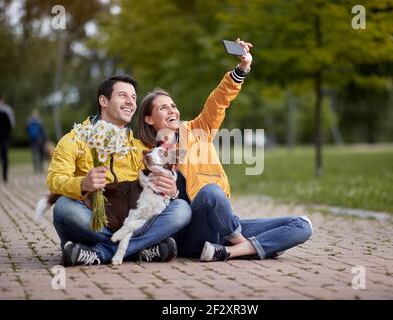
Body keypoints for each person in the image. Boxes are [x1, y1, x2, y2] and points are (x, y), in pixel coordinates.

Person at [137, 39, 313, 262]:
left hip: (223, 228)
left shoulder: (197, 130)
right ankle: (246, 246)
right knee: (211, 193)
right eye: (163, 107)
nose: (172, 110)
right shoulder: (144, 153)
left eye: (173, 105)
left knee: (301, 225)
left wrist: (241, 69)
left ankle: (230, 251)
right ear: (149, 118)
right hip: (191, 234)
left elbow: (217, 103)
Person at [47, 75, 192, 266]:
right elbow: (54, 180)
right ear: (103, 101)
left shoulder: (140, 147)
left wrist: (171, 192)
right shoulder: (74, 140)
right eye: (123, 95)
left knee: (181, 209)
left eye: (133, 98)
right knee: (64, 208)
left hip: (131, 221)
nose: (130, 102)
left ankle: (100, 253)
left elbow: (153, 193)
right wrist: (82, 184)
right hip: (92, 220)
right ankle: (139, 249)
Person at [26, 109, 46, 173]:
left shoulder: (29, 121)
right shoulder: (40, 121)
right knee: (41, 153)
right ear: (37, 114)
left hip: (32, 139)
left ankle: (35, 168)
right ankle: (41, 167)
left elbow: (26, 129)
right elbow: (43, 130)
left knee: (34, 153)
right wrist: (44, 138)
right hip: (39, 139)